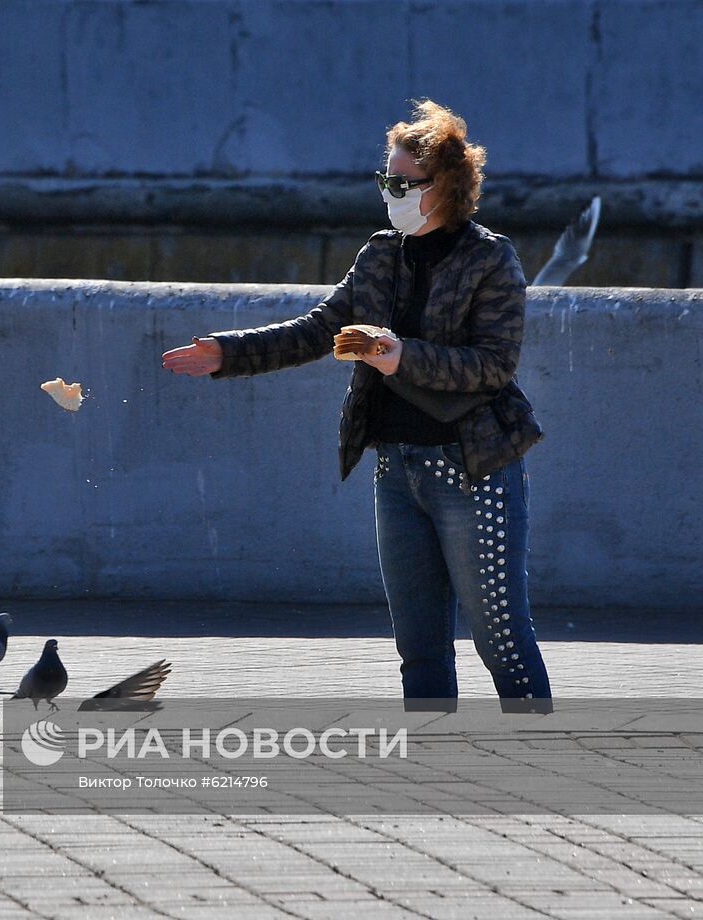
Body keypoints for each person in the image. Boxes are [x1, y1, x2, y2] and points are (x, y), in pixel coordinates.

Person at [161, 100, 549, 710]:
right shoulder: (380, 254)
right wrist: (227, 353)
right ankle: (434, 765)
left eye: (401, 183)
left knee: (498, 635)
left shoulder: (490, 259)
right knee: (418, 643)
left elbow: (494, 365)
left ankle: (543, 755)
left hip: (474, 468)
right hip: (398, 467)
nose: (389, 194)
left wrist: (402, 356)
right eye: (384, 181)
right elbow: (320, 329)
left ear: (443, 186)